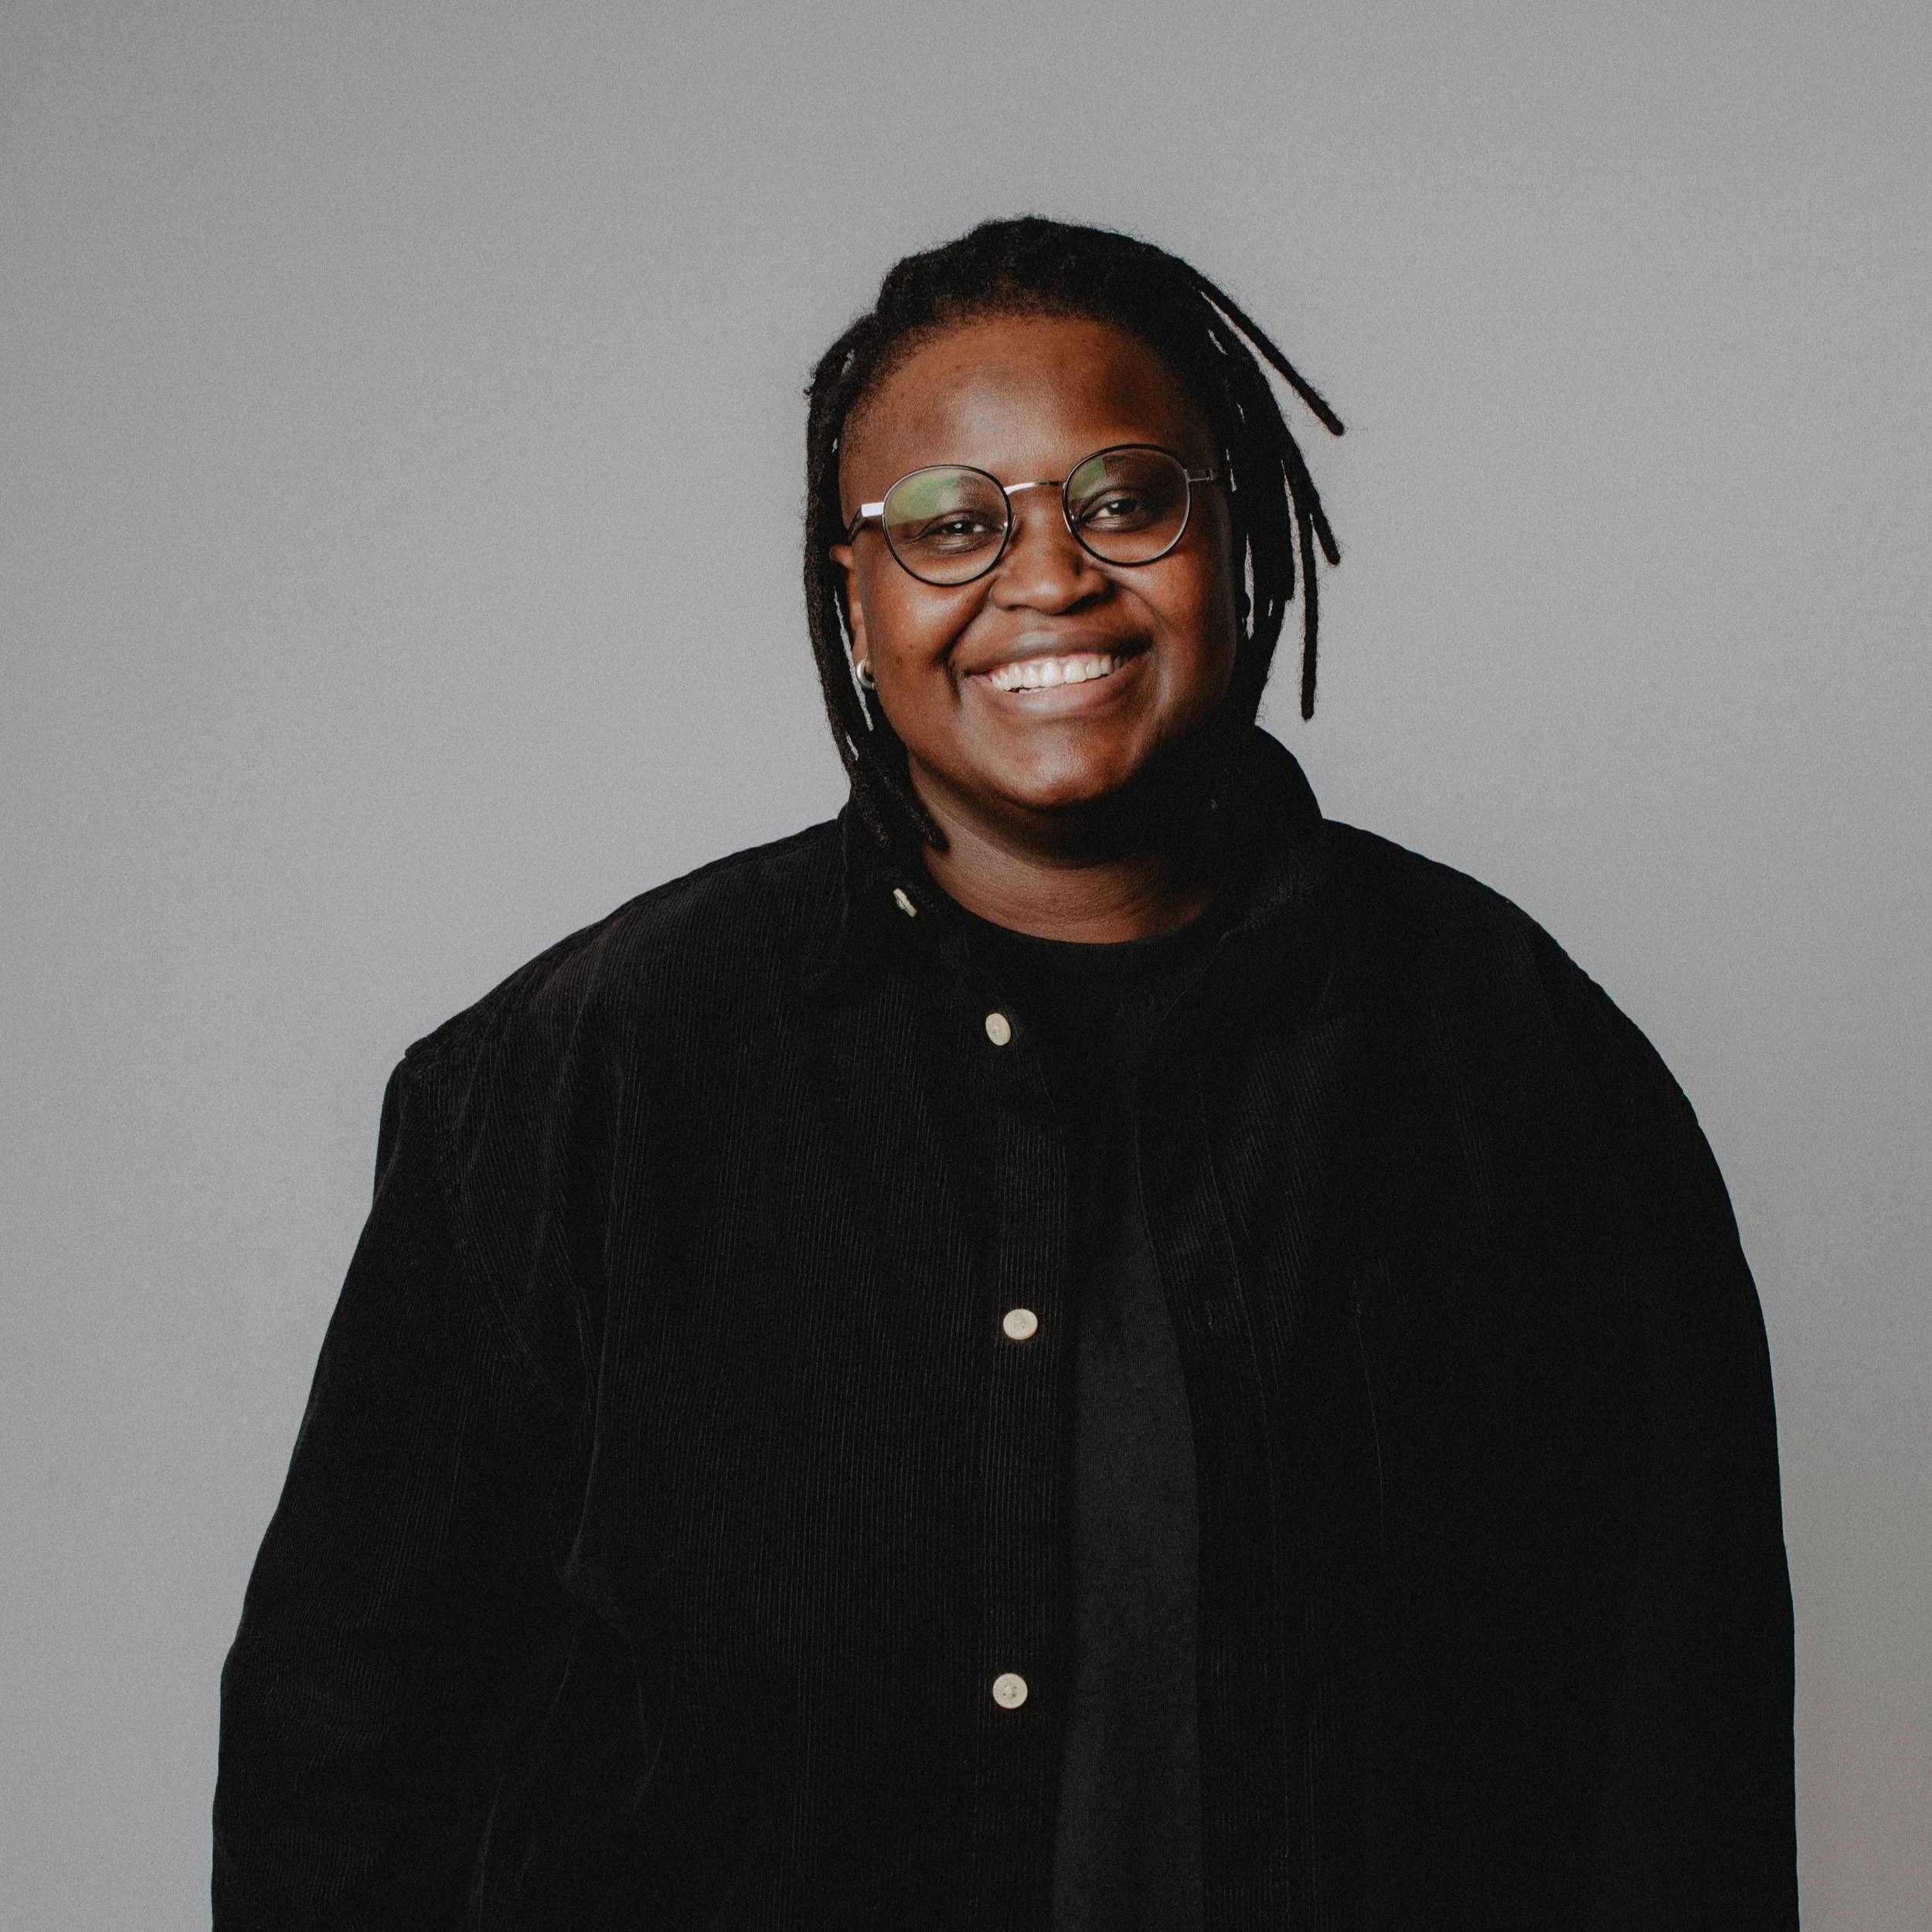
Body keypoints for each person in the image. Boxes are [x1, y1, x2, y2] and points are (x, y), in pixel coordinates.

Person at [214, 217, 1798, 1930]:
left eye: (1123, 497)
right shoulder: (576, 1084)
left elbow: (1678, 1762)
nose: (1044, 577)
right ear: (854, 590)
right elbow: (346, 1775)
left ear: (1236, 524)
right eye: (948, 523)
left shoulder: (1521, 1063)